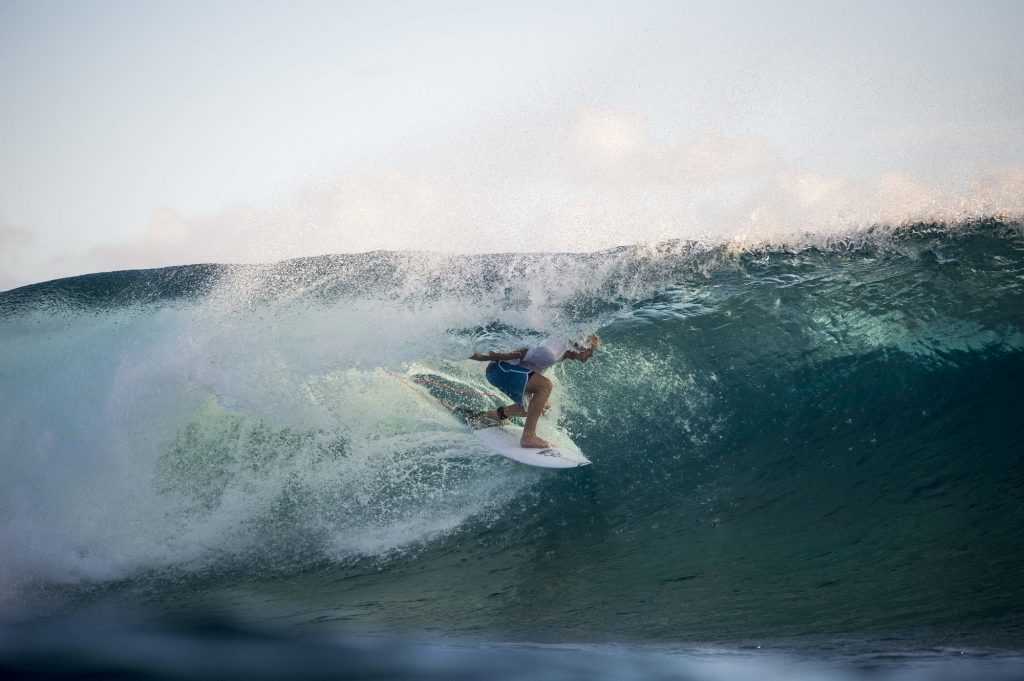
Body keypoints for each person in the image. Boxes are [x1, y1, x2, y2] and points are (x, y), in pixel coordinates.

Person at [470, 334, 600, 448]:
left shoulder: (563, 352)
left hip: (505, 373)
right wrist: (481, 356)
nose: (592, 354)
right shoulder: (552, 351)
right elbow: (520, 352)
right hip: (499, 371)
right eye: (591, 350)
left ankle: (493, 416)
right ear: (582, 346)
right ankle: (528, 437)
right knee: (545, 386)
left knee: (540, 407)